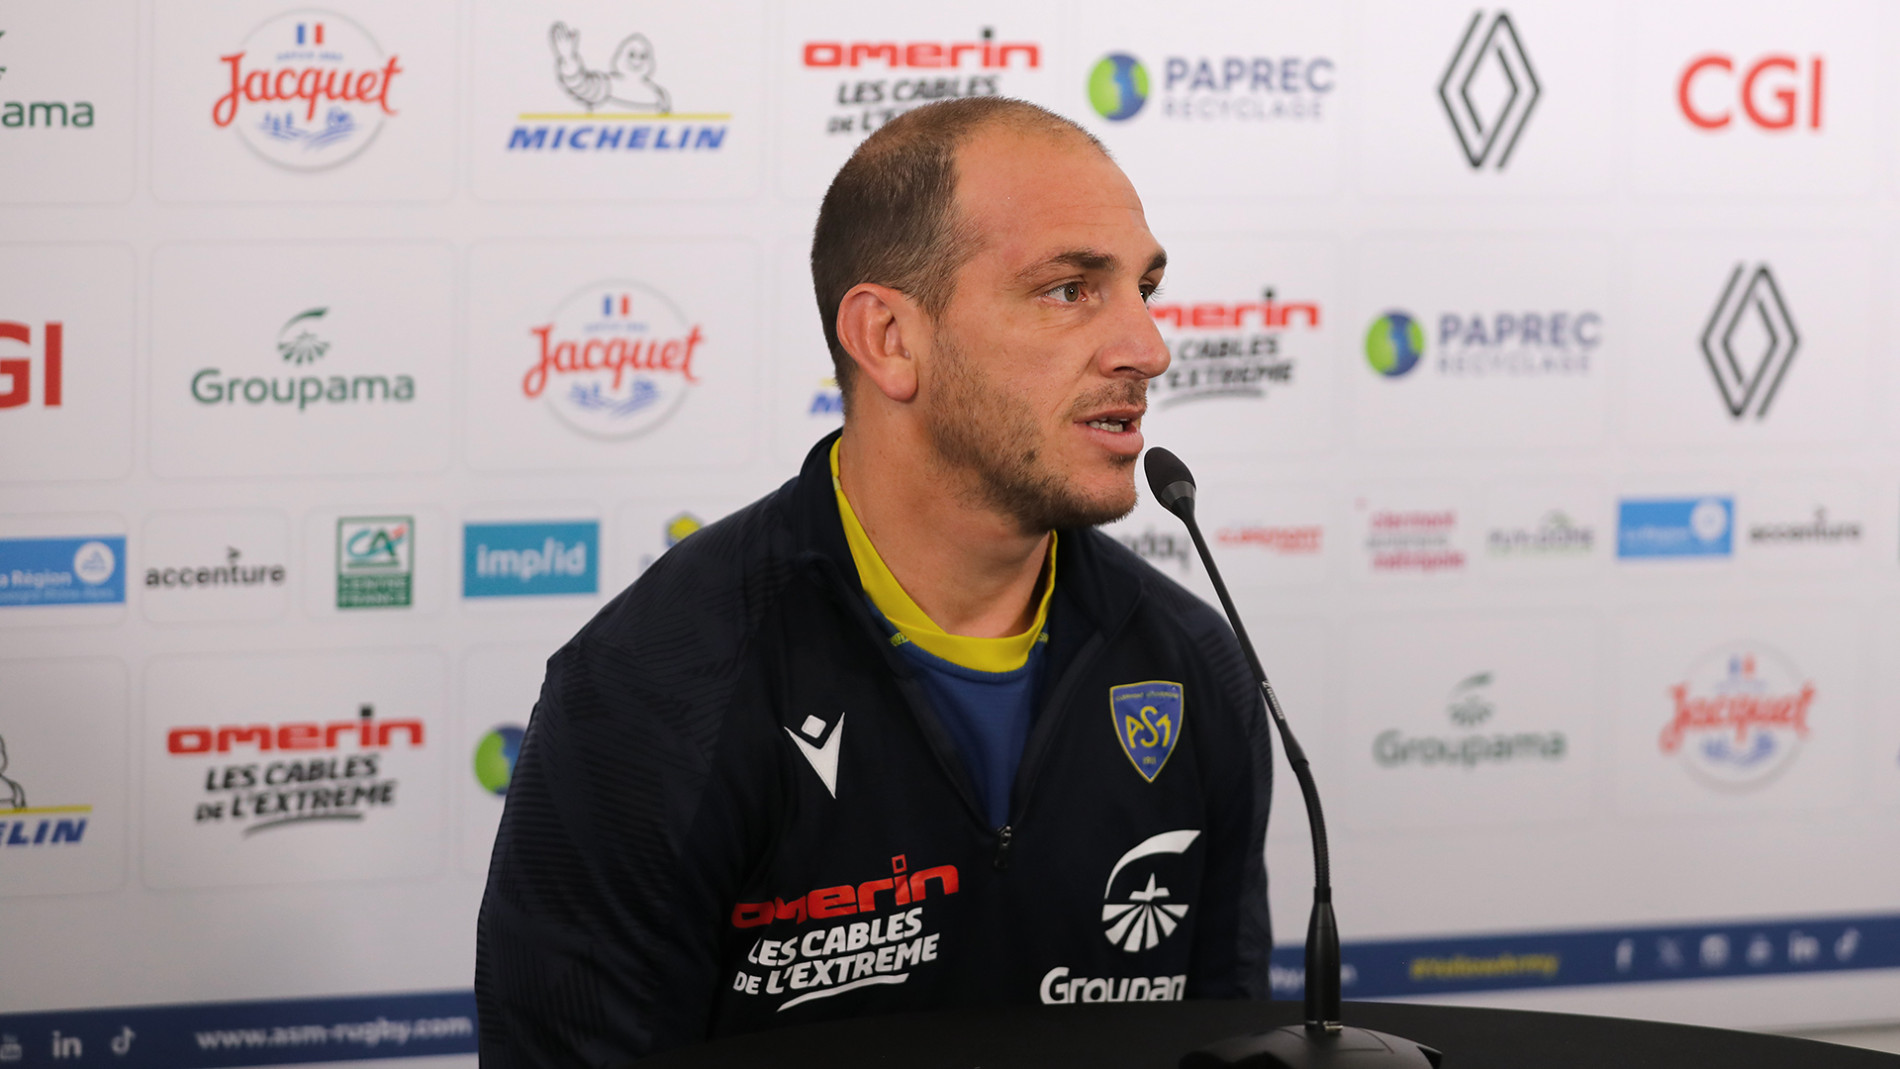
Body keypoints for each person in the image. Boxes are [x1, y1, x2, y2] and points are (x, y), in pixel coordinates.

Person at [475, 97, 1271, 1064]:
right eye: (1070, 289)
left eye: (1144, 288)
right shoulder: (651, 690)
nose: (1149, 348)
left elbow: (1227, 1044)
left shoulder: (1195, 665)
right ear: (889, 337)